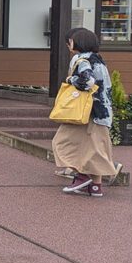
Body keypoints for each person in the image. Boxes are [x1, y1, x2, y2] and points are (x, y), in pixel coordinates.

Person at [52, 28, 117, 197]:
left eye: (70, 41)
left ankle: (80, 177)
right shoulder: (98, 60)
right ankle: (95, 187)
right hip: (102, 113)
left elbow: (87, 81)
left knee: (61, 144)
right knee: (95, 151)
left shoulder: (81, 59)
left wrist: (71, 79)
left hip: (86, 112)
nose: (68, 45)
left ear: (78, 42)